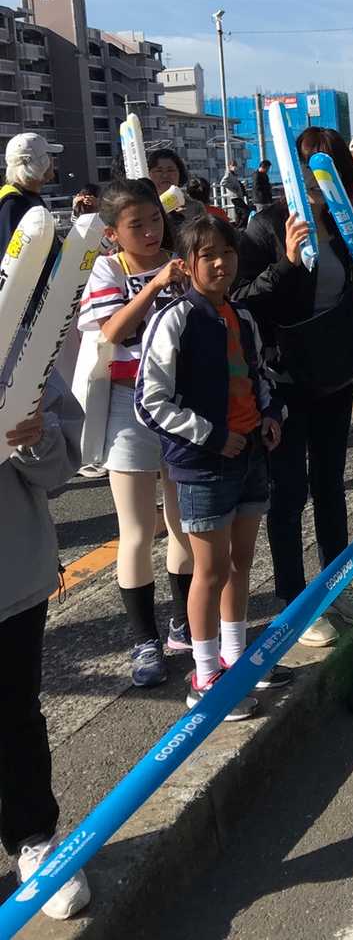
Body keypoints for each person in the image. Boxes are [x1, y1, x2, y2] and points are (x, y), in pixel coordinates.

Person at [136, 214, 291, 717]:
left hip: (250, 455)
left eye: (228, 251)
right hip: (203, 465)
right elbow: (150, 401)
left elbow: (258, 376)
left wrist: (270, 414)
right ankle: (204, 674)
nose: (222, 263)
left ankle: (236, 658)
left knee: (242, 562)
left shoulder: (241, 316)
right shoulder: (173, 318)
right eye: (208, 255)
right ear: (186, 265)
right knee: (210, 569)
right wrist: (212, 436)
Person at [235, 151, 353, 646]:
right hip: (285, 378)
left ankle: (337, 586)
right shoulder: (266, 226)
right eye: (311, 171)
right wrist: (287, 262)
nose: (319, 183)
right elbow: (244, 298)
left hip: (335, 374)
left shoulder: (343, 222)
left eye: (330, 171)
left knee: (331, 484)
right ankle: (294, 603)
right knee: (289, 491)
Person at [77, 180, 192, 684]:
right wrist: (155, 284)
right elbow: (111, 331)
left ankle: (185, 623)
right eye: (136, 225)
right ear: (113, 233)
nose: (150, 231)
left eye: (155, 220)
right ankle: (145, 640)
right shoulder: (109, 268)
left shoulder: (183, 259)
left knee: (185, 521)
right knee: (138, 530)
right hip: (130, 406)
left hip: (184, 403)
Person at [2, 375, 91, 920]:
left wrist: (36, 437)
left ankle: (34, 839)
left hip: (10, 574)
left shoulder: (12, 340)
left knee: (15, 716)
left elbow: (61, 466)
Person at [0, 132, 62, 250]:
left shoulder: (28, 197)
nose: (52, 161)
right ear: (41, 163)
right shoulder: (13, 203)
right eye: (49, 155)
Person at [220, 161, 248, 228]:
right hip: (234, 196)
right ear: (229, 166)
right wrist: (233, 187)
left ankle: (238, 226)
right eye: (233, 165)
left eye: (235, 165)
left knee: (239, 212)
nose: (235, 167)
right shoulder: (228, 174)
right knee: (245, 211)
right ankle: (240, 226)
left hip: (237, 196)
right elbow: (222, 183)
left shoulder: (233, 174)